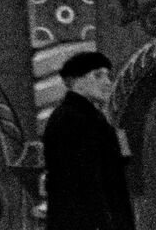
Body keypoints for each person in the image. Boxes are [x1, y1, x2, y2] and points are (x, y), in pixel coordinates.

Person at [43, 50, 134, 230]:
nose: (108, 82)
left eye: (108, 76)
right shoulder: (71, 119)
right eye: (98, 75)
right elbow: (84, 185)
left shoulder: (90, 117)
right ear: (75, 82)